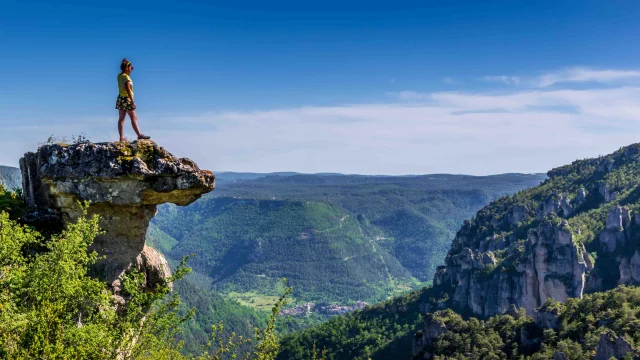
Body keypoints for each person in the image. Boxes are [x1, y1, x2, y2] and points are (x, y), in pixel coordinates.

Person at [116, 58, 150, 141]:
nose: (131, 69)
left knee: (121, 118)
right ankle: (139, 135)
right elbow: (127, 89)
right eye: (130, 67)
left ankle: (121, 137)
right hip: (127, 98)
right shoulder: (126, 77)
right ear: (126, 68)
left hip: (120, 98)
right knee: (133, 117)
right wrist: (132, 101)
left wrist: (128, 68)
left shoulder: (120, 76)